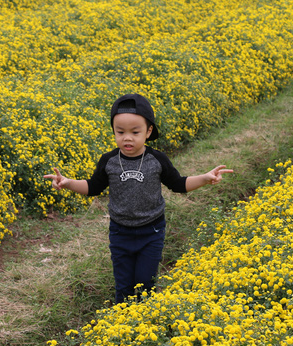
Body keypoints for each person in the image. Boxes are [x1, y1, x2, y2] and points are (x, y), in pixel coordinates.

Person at [44, 94, 233, 304]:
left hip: (151, 232)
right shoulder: (109, 161)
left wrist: (205, 178)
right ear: (113, 131)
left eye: (135, 132)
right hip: (120, 232)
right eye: (120, 132)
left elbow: (178, 184)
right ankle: (121, 324)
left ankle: (145, 324)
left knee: (145, 284)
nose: (127, 138)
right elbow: (93, 187)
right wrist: (68, 182)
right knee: (123, 285)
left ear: (148, 131)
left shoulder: (157, 159)